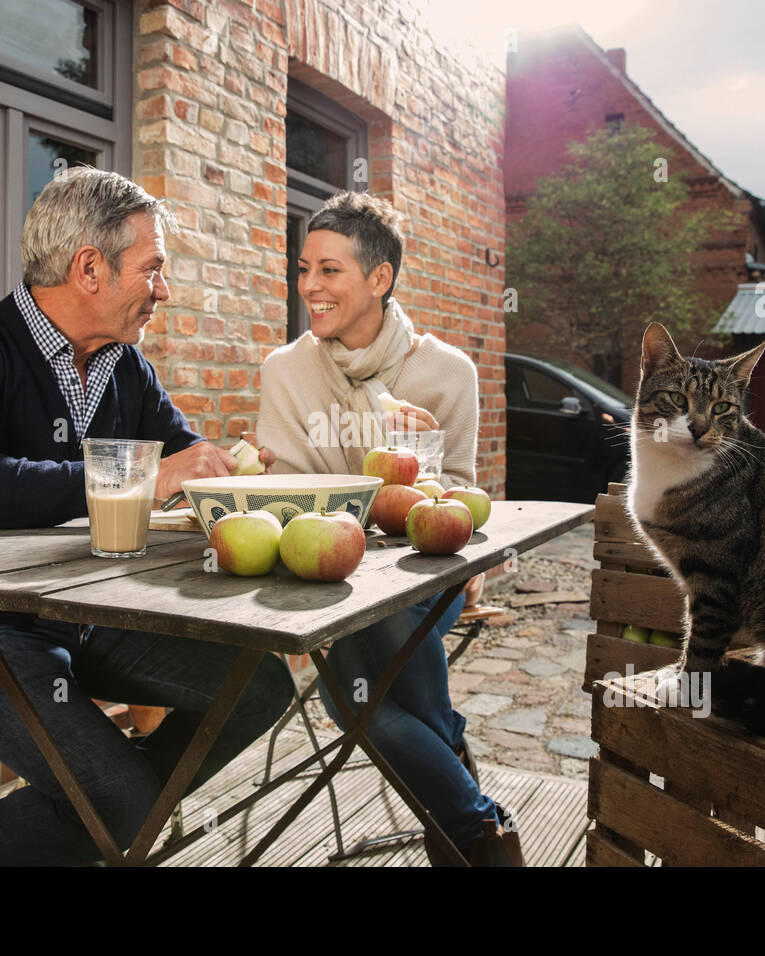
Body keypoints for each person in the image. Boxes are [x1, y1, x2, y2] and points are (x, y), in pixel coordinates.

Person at [0, 168, 294, 866]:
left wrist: (239, 470)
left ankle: (106, 814)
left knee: (257, 687)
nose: (163, 290)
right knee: (123, 804)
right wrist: (140, 477)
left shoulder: (125, 367)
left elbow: (187, 453)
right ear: (88, 269)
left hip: (84, 616)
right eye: (153, 269)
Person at [255, 191, 522, 866]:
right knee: (371, 686)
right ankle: (476, 823)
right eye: (303, 268)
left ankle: (469, 823)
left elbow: (456, 501)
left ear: (380, 278)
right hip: (329, 579)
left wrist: (423, 466)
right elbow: (290, 497)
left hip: (418, 577)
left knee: (356, 702)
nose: (309, 286)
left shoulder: (446, 371)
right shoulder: (284, 371)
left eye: (330, 270)